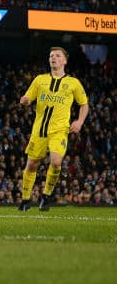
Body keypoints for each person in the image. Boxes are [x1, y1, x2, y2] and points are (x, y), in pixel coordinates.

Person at [17, 47, 89, 212]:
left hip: (59, 130)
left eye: (57, 56)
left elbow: (84, 104)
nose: (53, 58)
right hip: (39, 131)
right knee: (32, 164)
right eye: (51, 56)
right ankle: (26, 199)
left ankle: (45, 196)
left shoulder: (73, 83)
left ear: (64, 61)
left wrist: (79, 121)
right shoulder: (39, 80)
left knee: (56, 162)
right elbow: (28, 98)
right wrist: (25, 100)